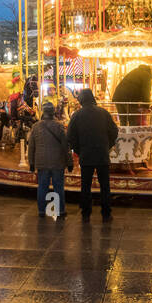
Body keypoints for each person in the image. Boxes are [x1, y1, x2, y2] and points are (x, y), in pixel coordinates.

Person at [67, 88, 118, 220]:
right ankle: (106, 212)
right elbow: (114, 131)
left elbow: (71, 136)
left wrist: (78, 150)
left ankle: (86, 212)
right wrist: (107, 145)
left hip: (86, 154)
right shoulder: (103, 113)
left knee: (85, 185)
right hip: (102, 154)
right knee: (105, 185)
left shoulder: (77, 115)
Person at [29, 101, 70, 218]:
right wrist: (70, 162)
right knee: (58, 187)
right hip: (57, 162)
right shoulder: (59, 126)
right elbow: (65, 146)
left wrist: (31, 163)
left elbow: (31, 147)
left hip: (42, 162)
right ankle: (60, 210)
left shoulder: (36, 126)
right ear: (53, 112)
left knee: (42, 187)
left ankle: (42, 210)